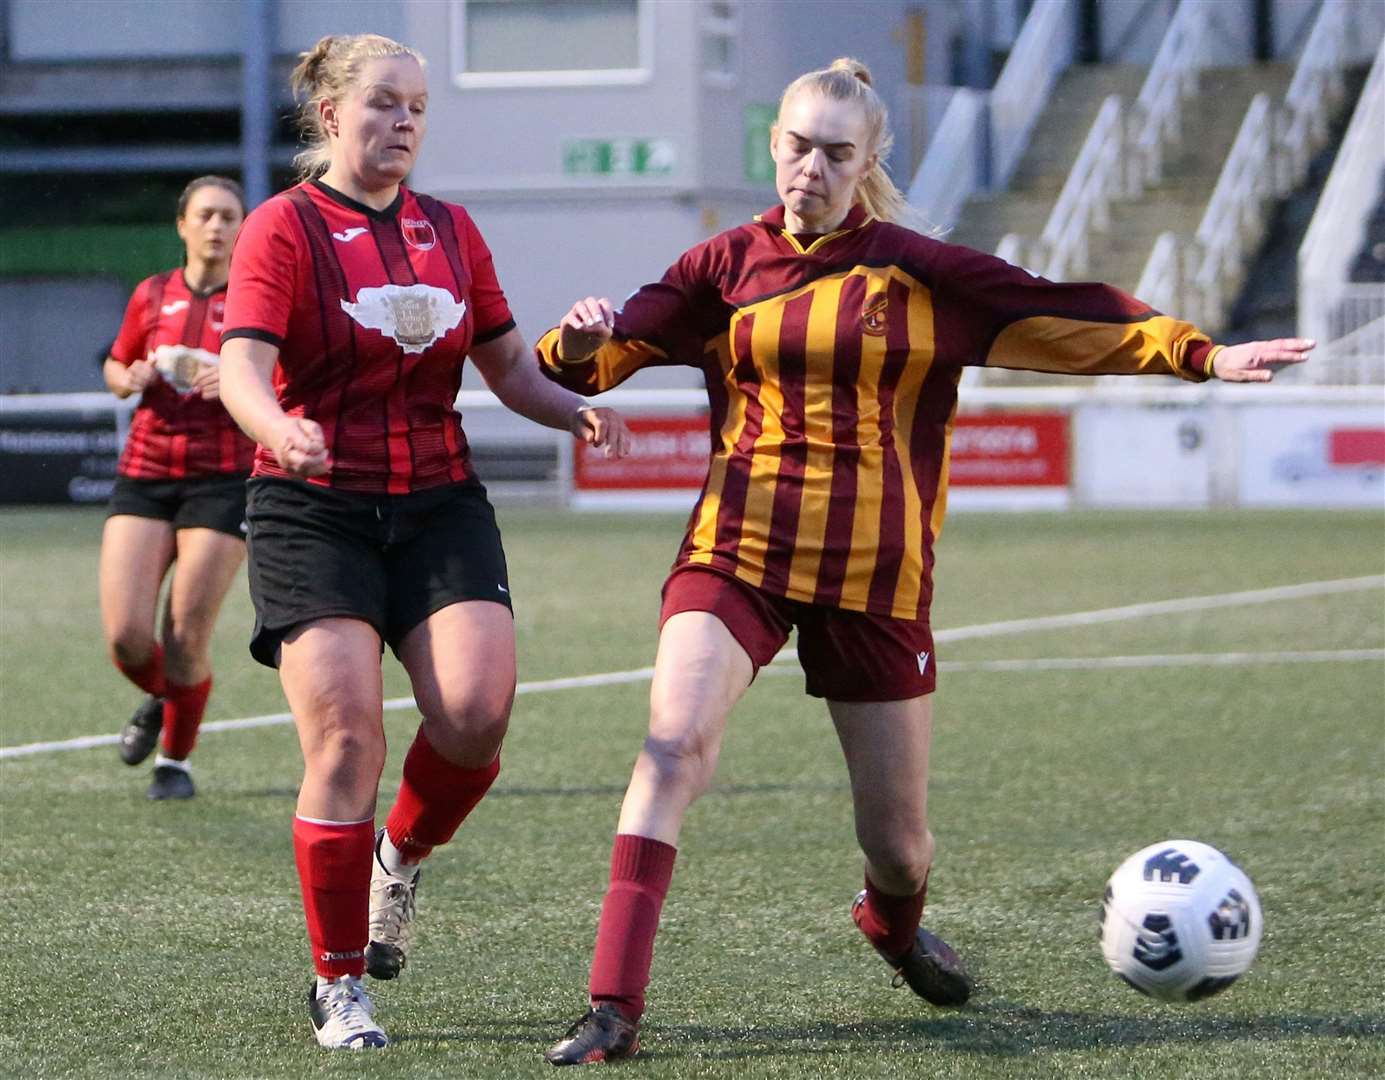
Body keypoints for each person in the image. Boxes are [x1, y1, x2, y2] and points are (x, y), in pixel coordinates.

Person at [535, 57, 1313, 1065]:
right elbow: (598, 358)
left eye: (835, 153)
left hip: (875, 578)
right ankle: (611, 1010)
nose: (810, 167)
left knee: (898, 850)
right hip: (736, 552)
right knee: (670, 747)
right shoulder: (717, 268)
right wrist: (571, 337)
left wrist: (1203, 356)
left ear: (865, 164)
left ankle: (890, 925)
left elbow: (1067, 311)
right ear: (772, 144)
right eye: (797, 146)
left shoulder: (919, 272)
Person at [217, 33, 629, 1052]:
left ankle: (397, 862)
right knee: (348, 736)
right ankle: (339, 982)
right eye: (383, 105)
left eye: (417, 110)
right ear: (331, 116)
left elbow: (506, 368)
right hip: (312, 509)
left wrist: (572, 407)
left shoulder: (449, 230)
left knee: (477, 716)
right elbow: (240, 369)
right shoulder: (282, 228)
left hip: (438, 500)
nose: (403, 124)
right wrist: (277, 428)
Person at [101, 175, 254, 801]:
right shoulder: (152, 293)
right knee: (126, 638)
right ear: (183, 225)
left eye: (228, 217)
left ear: (243, 229)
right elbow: (116, 363)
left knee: (185, 633)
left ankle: (176, 760)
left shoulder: (258, 299)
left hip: (223, 477)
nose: (217, 227)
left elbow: (289, 379)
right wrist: (127, 376)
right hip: (147, 470)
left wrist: (240, 384)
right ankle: (167, 700)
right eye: (206, 215)